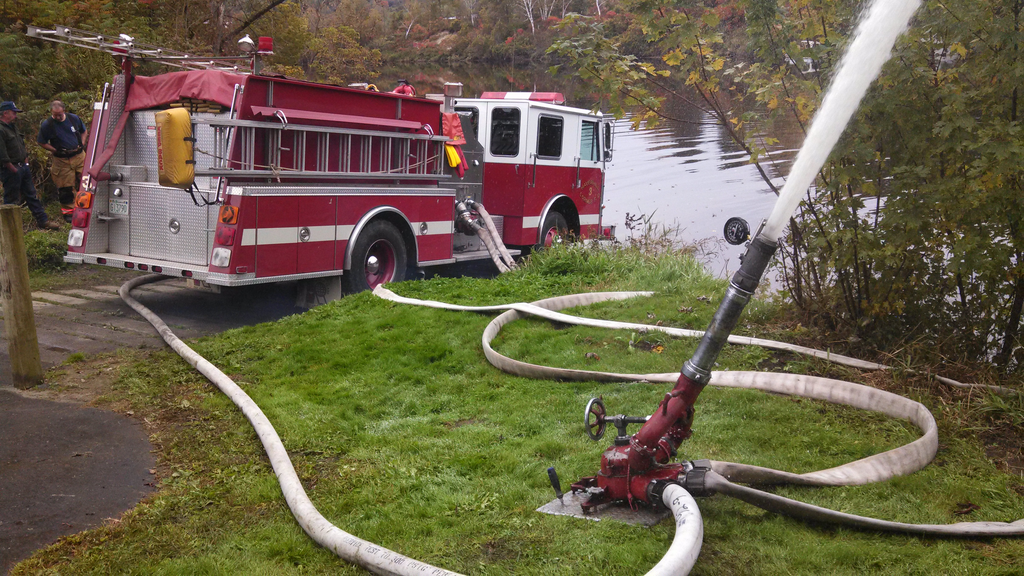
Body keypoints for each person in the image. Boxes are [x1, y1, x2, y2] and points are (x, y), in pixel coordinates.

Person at [0, 102, 61, 230]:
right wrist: (12, 168)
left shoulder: (12, 127)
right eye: (13, 112)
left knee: (31, 195)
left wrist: (26, 162)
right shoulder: (1, 130)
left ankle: (43, 221)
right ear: (5, 113)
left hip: (22, 166)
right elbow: (2, 153)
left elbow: (20, 144)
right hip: (10, 169)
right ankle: (10, 228)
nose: (15, 116)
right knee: (11, 199)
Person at [38, 100, 87, 223]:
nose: (57, 117)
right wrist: (55, 150)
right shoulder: (47, 125)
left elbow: (83, 131)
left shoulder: (73, 119)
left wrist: (82, 143)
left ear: (64, 110)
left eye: (59, 114)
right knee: (65, 187)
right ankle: (69, 213)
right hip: (62, 160)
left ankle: (87, 206)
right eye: (55, 115)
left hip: (79, 156)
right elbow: (41, 142)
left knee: (87, 181)